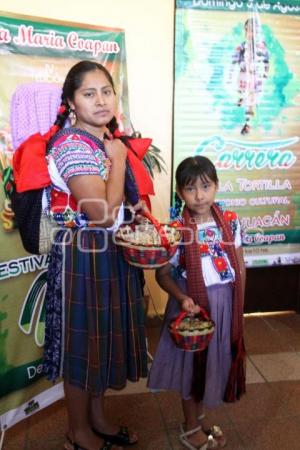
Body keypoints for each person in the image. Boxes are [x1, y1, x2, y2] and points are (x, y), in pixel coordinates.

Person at [42, 60, 151, 450]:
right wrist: (119, 159)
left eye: (106, 91)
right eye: (89, 93)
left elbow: (113, 204)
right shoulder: (72, 145)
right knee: (83, 343)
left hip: (106, 255)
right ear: (71, 102)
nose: (101, 100)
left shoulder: (101, 140)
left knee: (101, 341)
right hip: (82, 259)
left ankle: (99, 419)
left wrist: (131, 209)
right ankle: (78, 429)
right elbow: (102, 216)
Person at [147, 156, 246, 450]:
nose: (199, 195)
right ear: (180, 193)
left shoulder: (229, 221)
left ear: (216, 186)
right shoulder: (175, 230)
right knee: (192, 366)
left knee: (213, 363)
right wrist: (181, 298)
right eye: (191, 189)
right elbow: (163, 274)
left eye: (206, 186)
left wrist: (238, 307)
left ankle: (198, 416)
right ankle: (190, 427)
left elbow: (239, 267)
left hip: (225, 303)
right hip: (191, 309)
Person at [229, 17, 269, 135]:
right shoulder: (241, 46)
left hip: (255, 79)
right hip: (243, 77)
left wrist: (264, 74)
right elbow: (234, 61)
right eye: (248, 30)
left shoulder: (261, 47)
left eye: (253, 30)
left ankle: (248, 124)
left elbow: (266, 62)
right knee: (241, 100)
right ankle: (242, 121)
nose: (250, 33)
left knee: (251, 102)